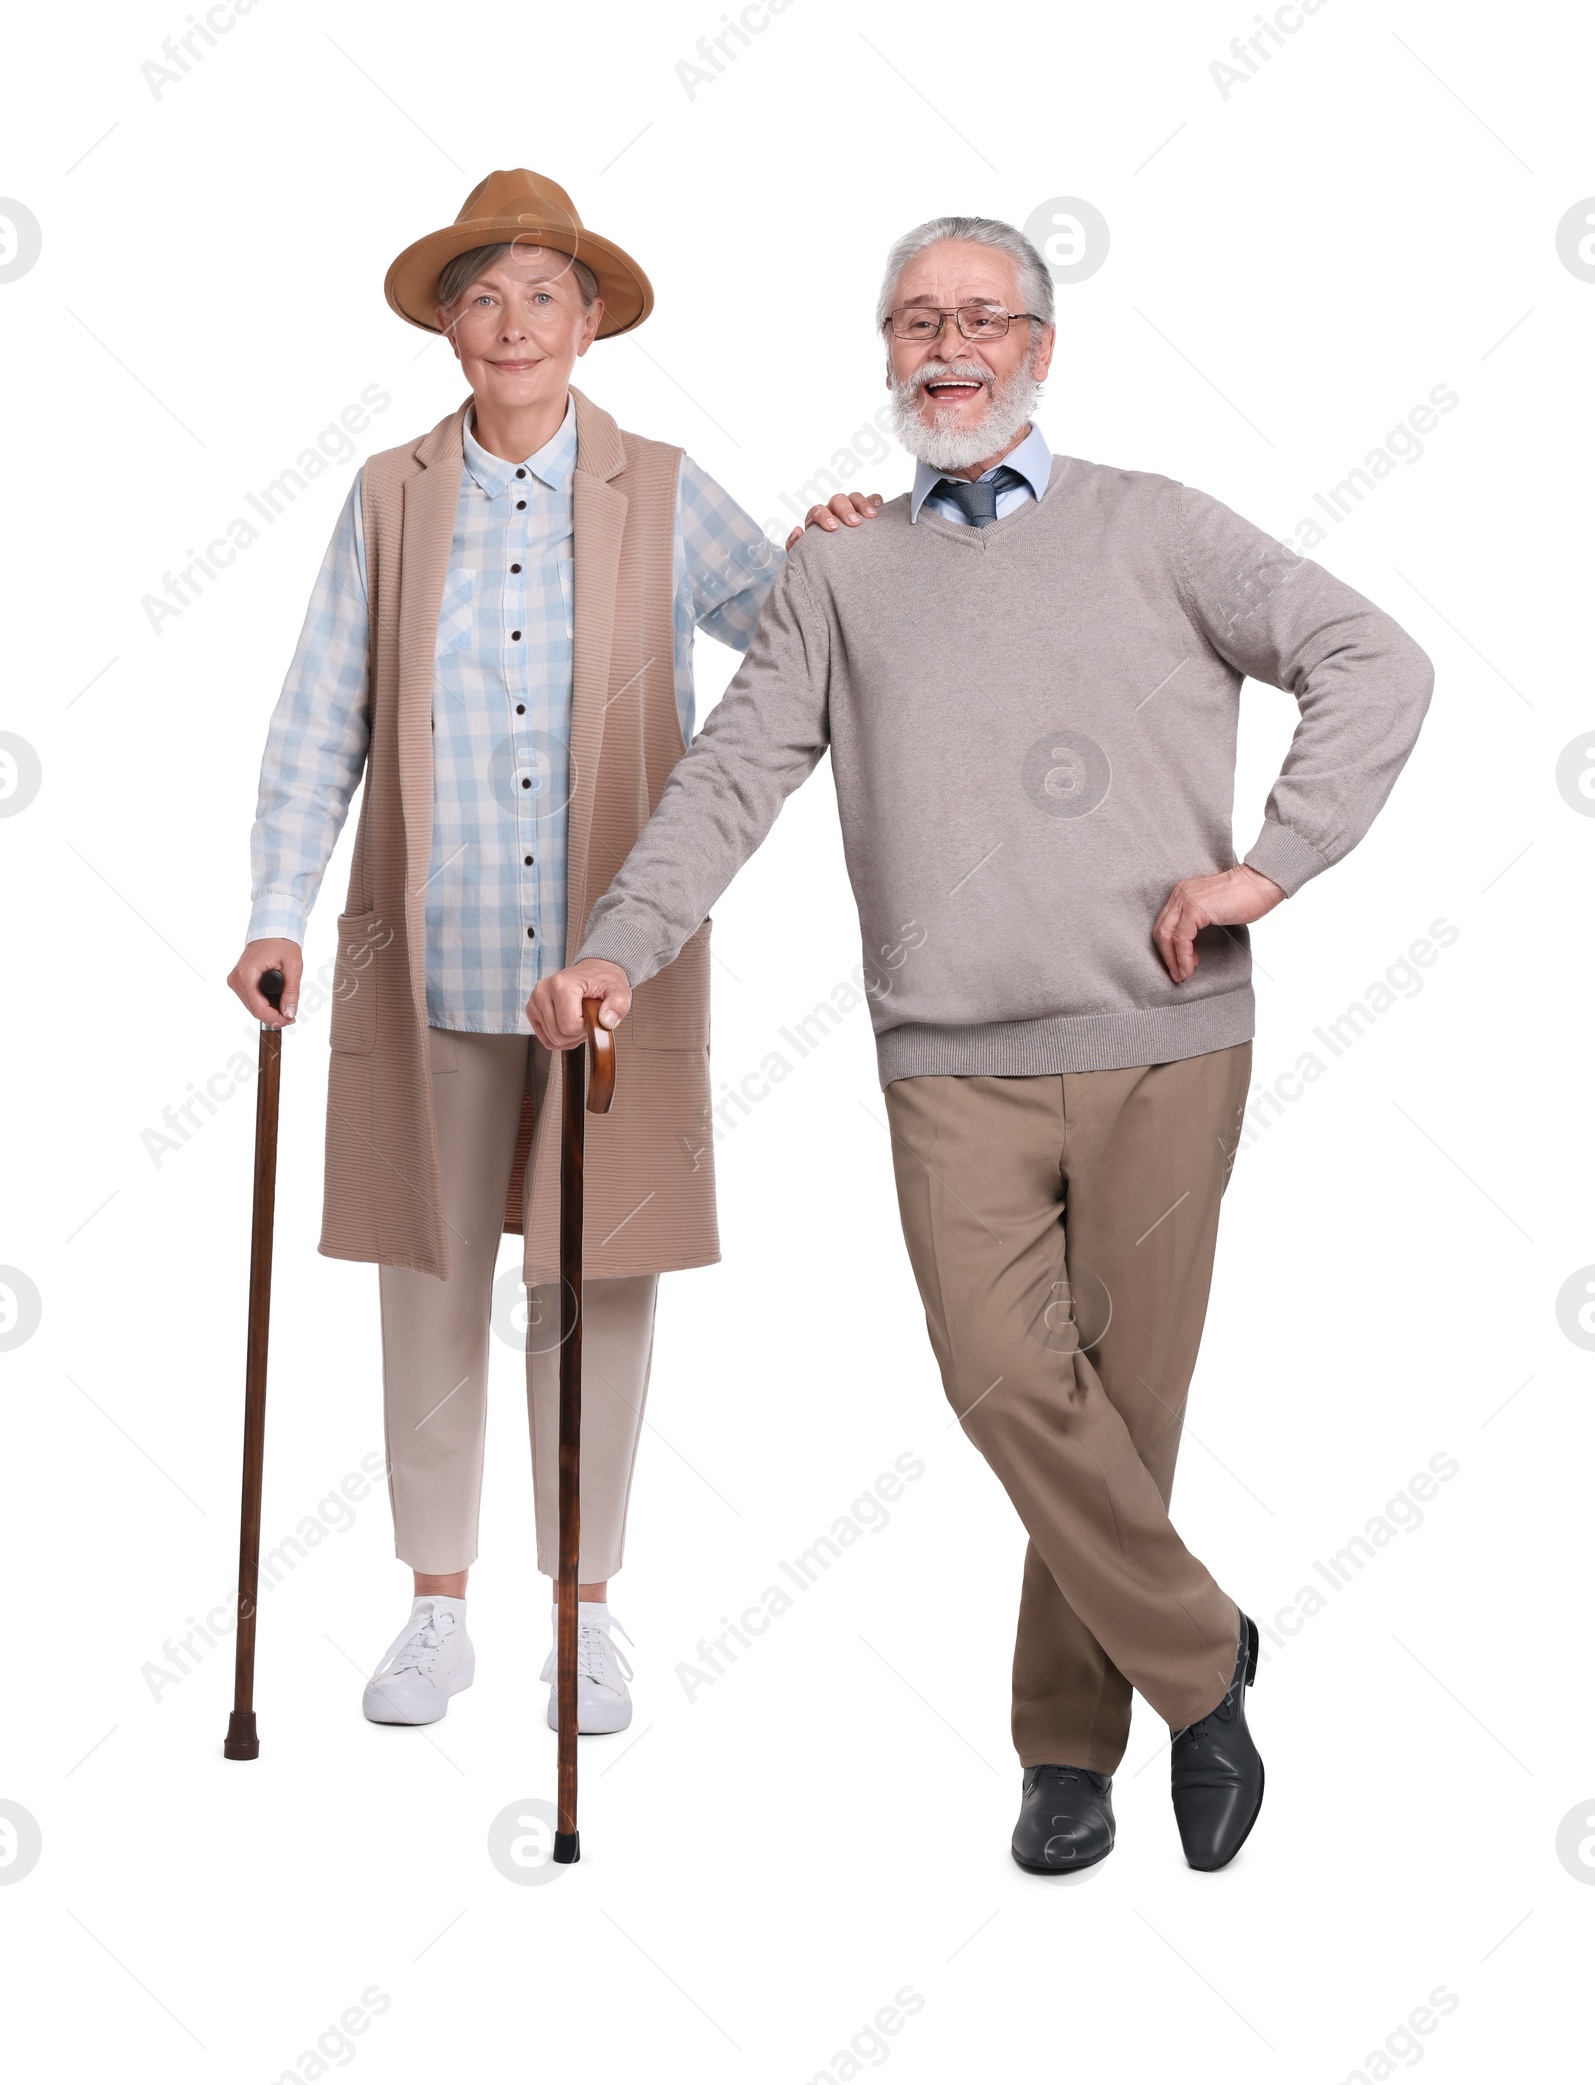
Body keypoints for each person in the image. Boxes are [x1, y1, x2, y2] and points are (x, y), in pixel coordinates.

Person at [531, 213, 1433, 1871]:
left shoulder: (1158, 526)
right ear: (887, 354)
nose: (948, 344)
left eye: (984, 317)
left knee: (1125, 1405)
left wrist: (1271, 862)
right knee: (1014, 1382)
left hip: (1171, 1039)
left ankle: (1065, 1755)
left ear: (1039, 348)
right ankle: (1205, 1655)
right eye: (915, 320)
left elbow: (1375, 659)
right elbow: (734, 775)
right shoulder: (840, 569)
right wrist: (613, 944)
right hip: (950, 1059)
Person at [227, 169, 872, 1737]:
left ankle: (584, 1616)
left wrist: (844, 551)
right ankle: (435, 1606)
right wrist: (275, 910)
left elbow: (792, 640)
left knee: (598, 1279)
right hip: (428, 959)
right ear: (449, 326)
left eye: (543, 297)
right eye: (483, 296)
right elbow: (322, 713)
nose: (511, 324)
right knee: (426, 1280)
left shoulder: (657, 483)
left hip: (610, 972)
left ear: (589, 324)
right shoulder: (389, 492)